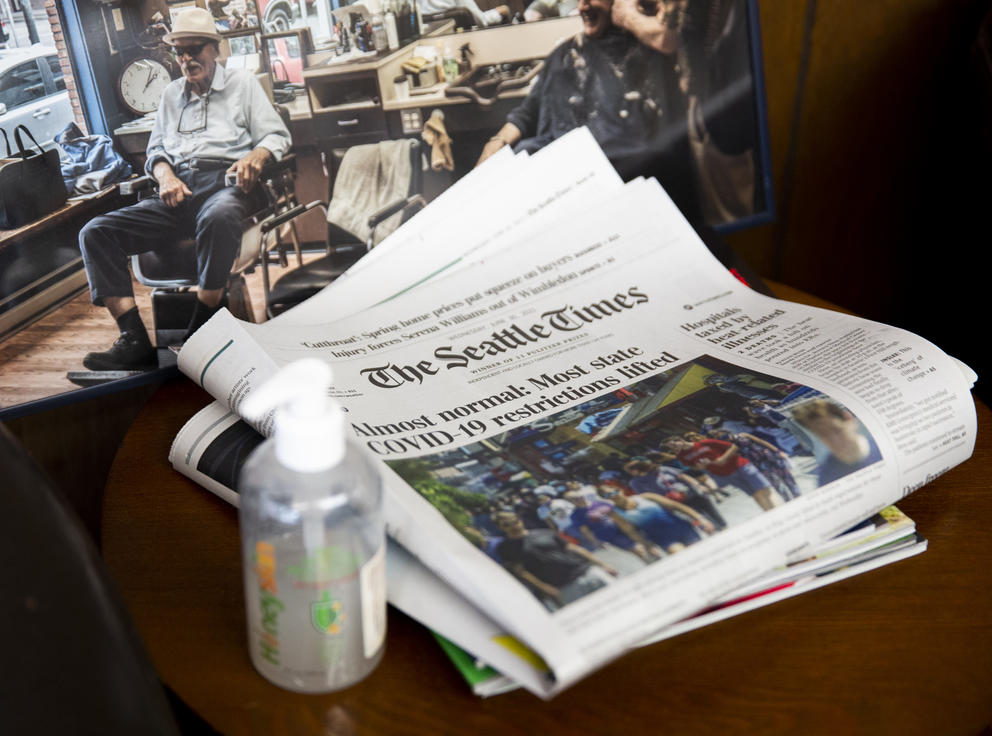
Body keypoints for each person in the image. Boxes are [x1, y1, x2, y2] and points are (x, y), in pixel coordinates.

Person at [77, 7, 291, 371]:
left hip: (228, 184)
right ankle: (134, 340)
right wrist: (164, 175)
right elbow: (157, 149)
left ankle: (200, 330)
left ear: (215, 50)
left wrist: (257, 154)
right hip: (178, 191)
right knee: (95, 232)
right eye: (180, 51)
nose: (187, 58)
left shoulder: (242, 84)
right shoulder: (171, 94)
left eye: (195, 49)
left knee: (219, 214)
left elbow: (276, 134)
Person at [475, 0, 697, 213]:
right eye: (581, 0)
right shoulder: (563, 55)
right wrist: (497, 142)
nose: (582, 6)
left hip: (613, 187)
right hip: (555, 182)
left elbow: (653, 151)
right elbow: (526, 115)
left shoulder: (650, 57)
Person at [494, 511, 618, 609]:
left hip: (588, 572)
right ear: (500, 528)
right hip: (565, 588)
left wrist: (603, 565)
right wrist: (545, 588)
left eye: (515, 521)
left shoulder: (544, 532)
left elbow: (573, 548)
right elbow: (521, 572)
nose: (513, 526)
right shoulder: (505, 548)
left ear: (520, 520)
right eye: (507, 525)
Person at [665, 434, 782, 511]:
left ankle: (778, 510)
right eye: (671, 448)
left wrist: (723, 458)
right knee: (754, 494)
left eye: (674, 445)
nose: (674, 449)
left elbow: (733, 446)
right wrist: (700, 467)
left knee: (763, 489)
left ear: (680, 440)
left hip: (740, 465)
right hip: (726, 474)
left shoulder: (705, 443)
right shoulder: (682, 456)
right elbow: (694, 467)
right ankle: (770, 513)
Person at [791, 399, 883, 486]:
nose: (835, 441)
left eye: (837, 430)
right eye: (824, 435)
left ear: (849, 419)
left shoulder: (882, 446)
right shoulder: (827, 478)